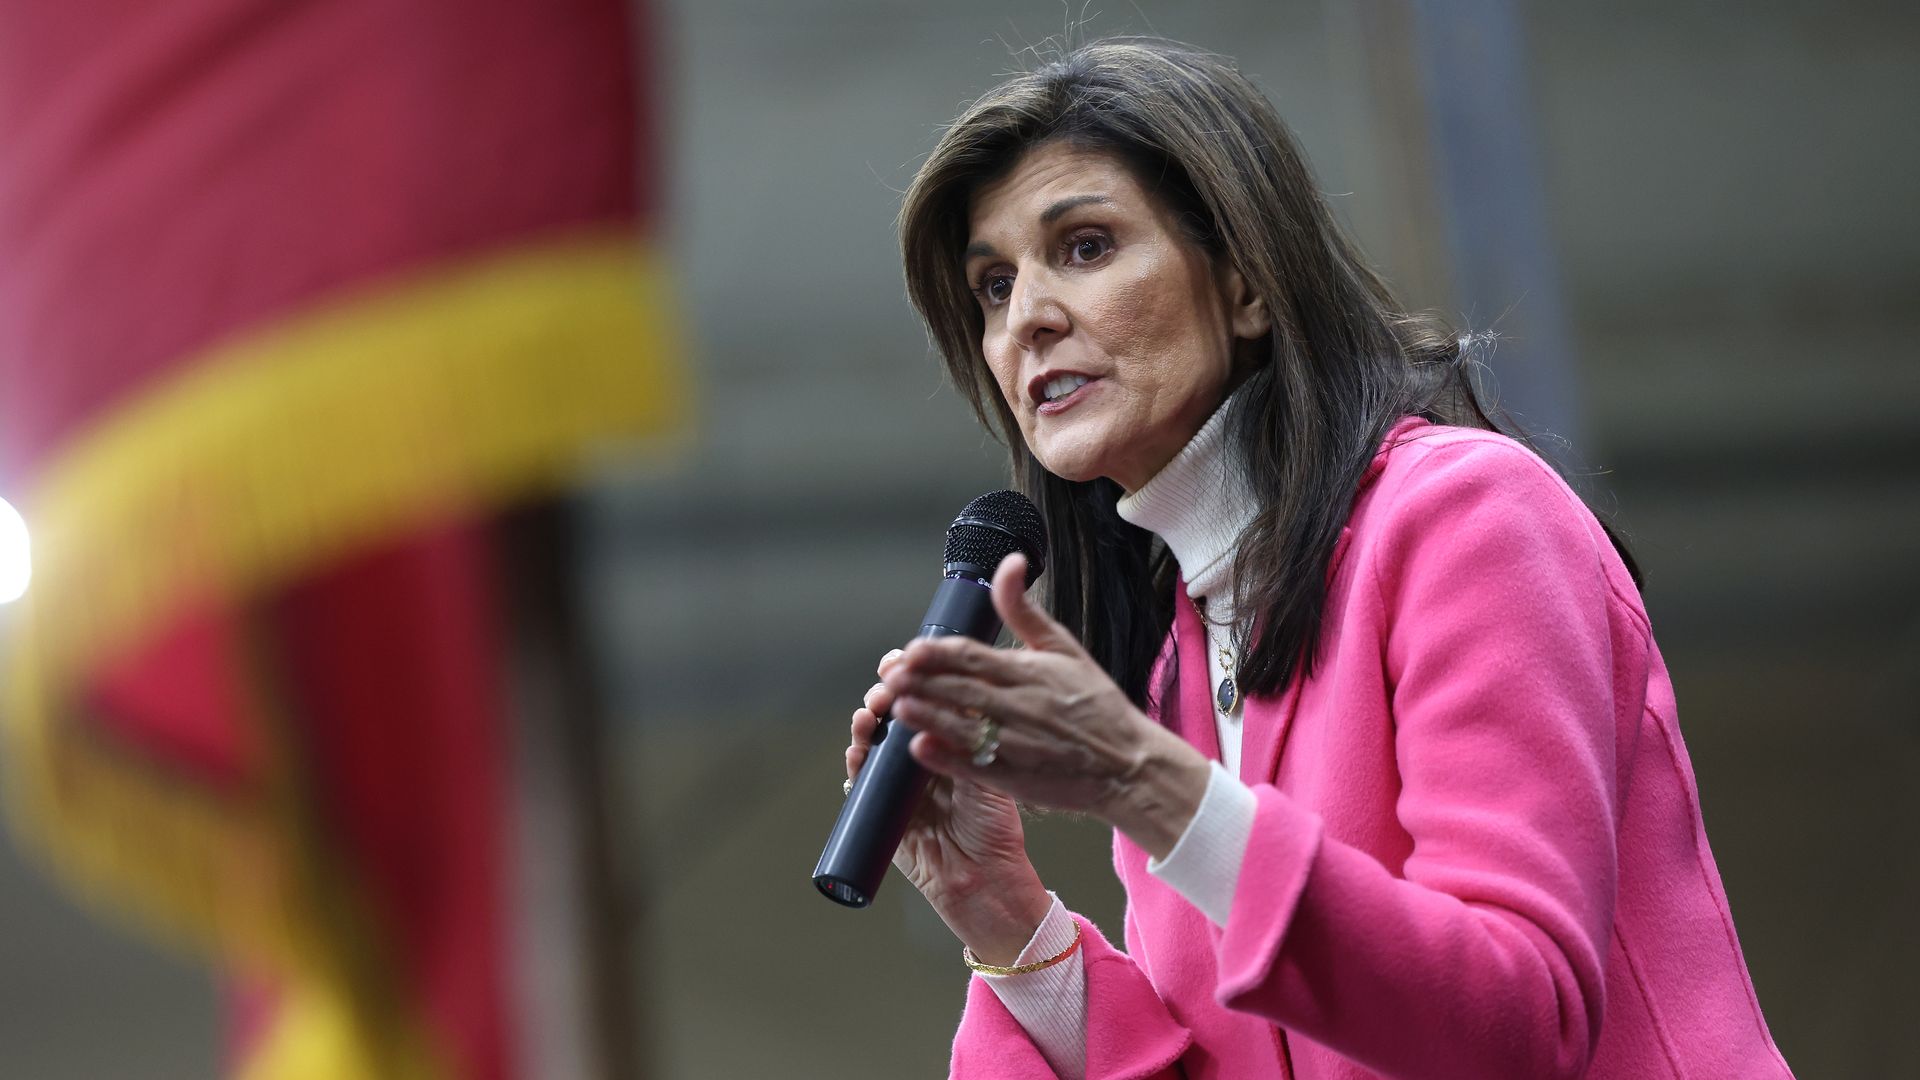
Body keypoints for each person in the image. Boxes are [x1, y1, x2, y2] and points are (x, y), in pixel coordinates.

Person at [842, 37, 1793, 1080]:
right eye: (991, 285)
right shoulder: (1174, 673)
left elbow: (1517, 1019)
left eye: (1085, 246)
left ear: (1248, 282)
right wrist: (1007, 919)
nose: (1026, 318)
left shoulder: (1469, 516)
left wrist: (1146, 785)